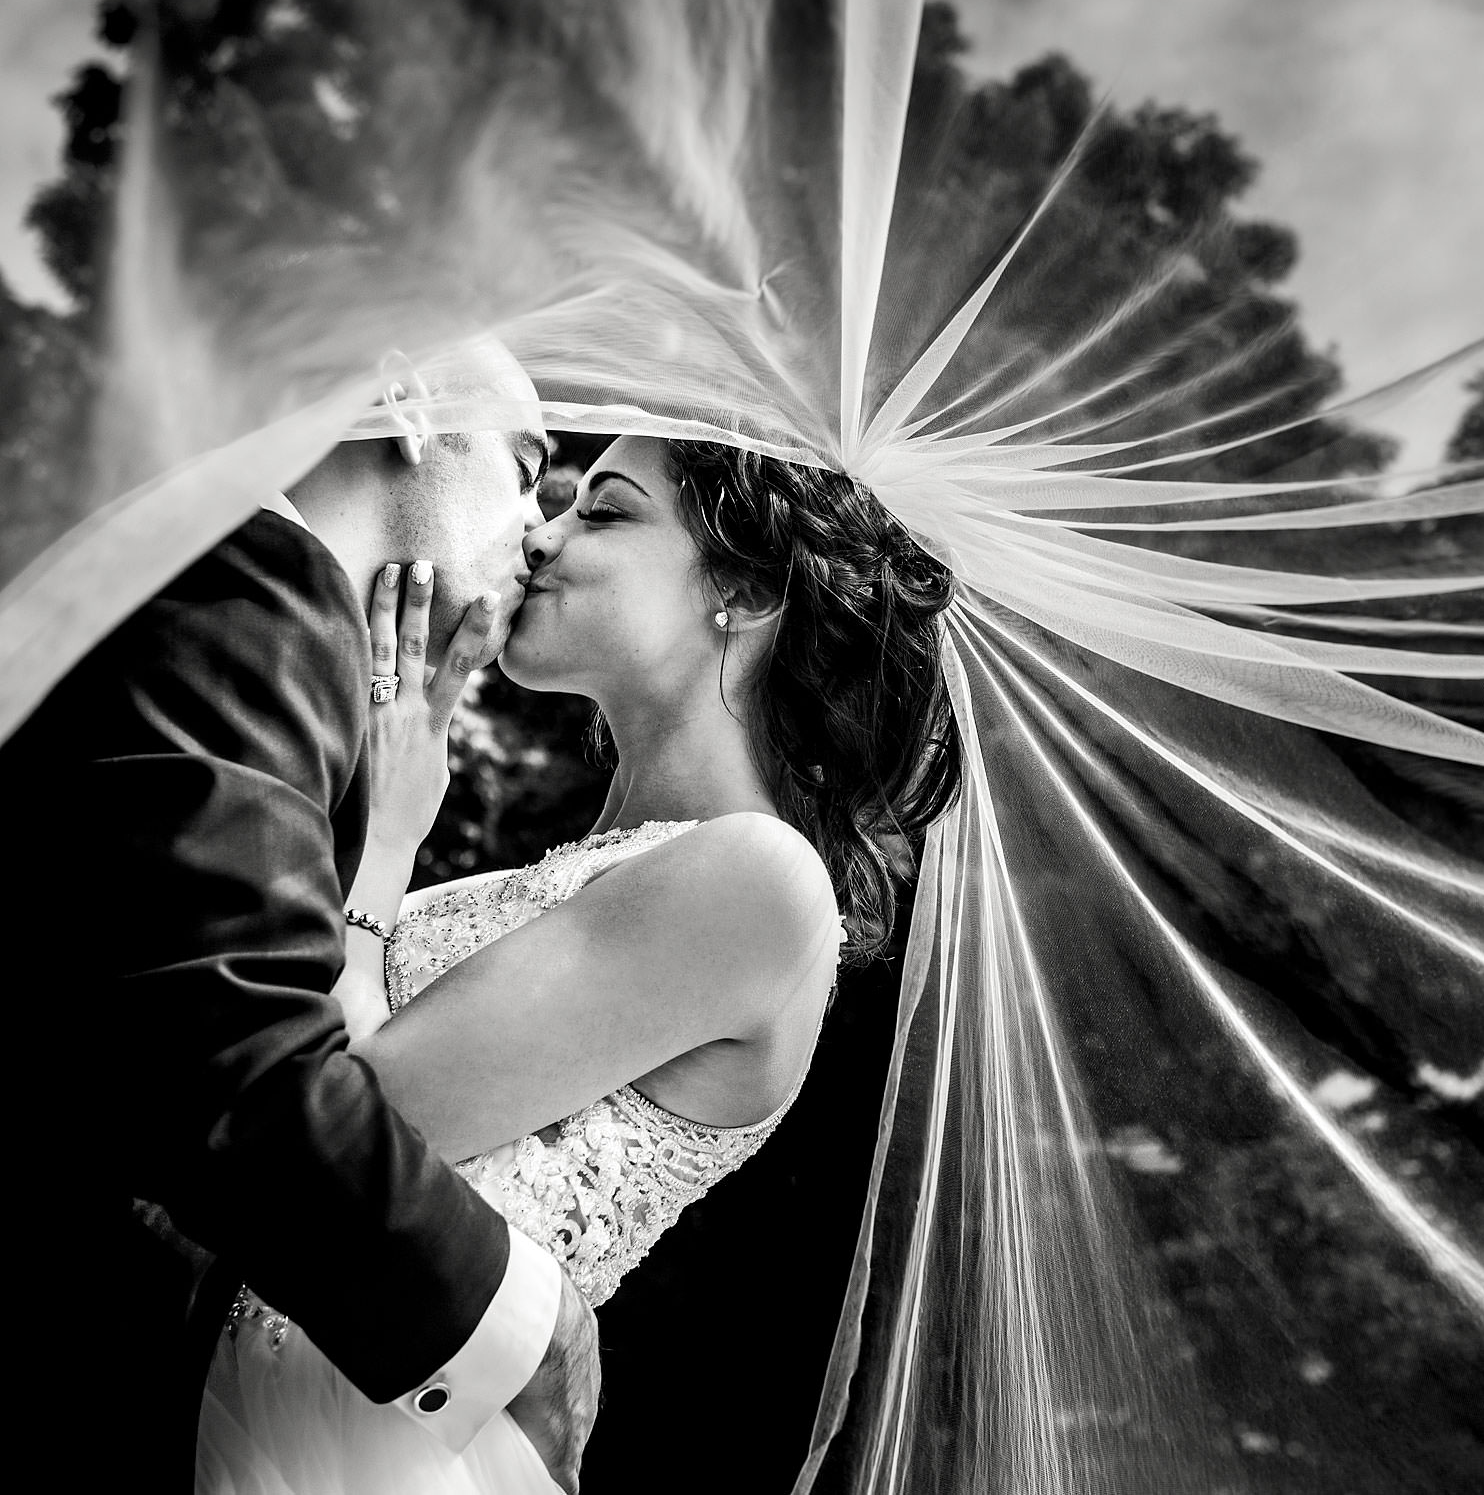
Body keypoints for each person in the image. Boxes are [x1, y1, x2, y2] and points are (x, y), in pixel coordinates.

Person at [195, 431, 962, 1493]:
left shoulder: (759, 881)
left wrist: (380, 851)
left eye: (605, 512)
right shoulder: (593, 871)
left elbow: (343, 1122)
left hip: (361, 1443)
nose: (542, 533)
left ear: (741, 589)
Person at [2, 339, 601, 1491]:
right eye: (525, 463)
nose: (535, 524)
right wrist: (514, 1323)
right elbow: (223, 1057)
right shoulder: (244, 583)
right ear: (413, 398)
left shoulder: (205, 575)